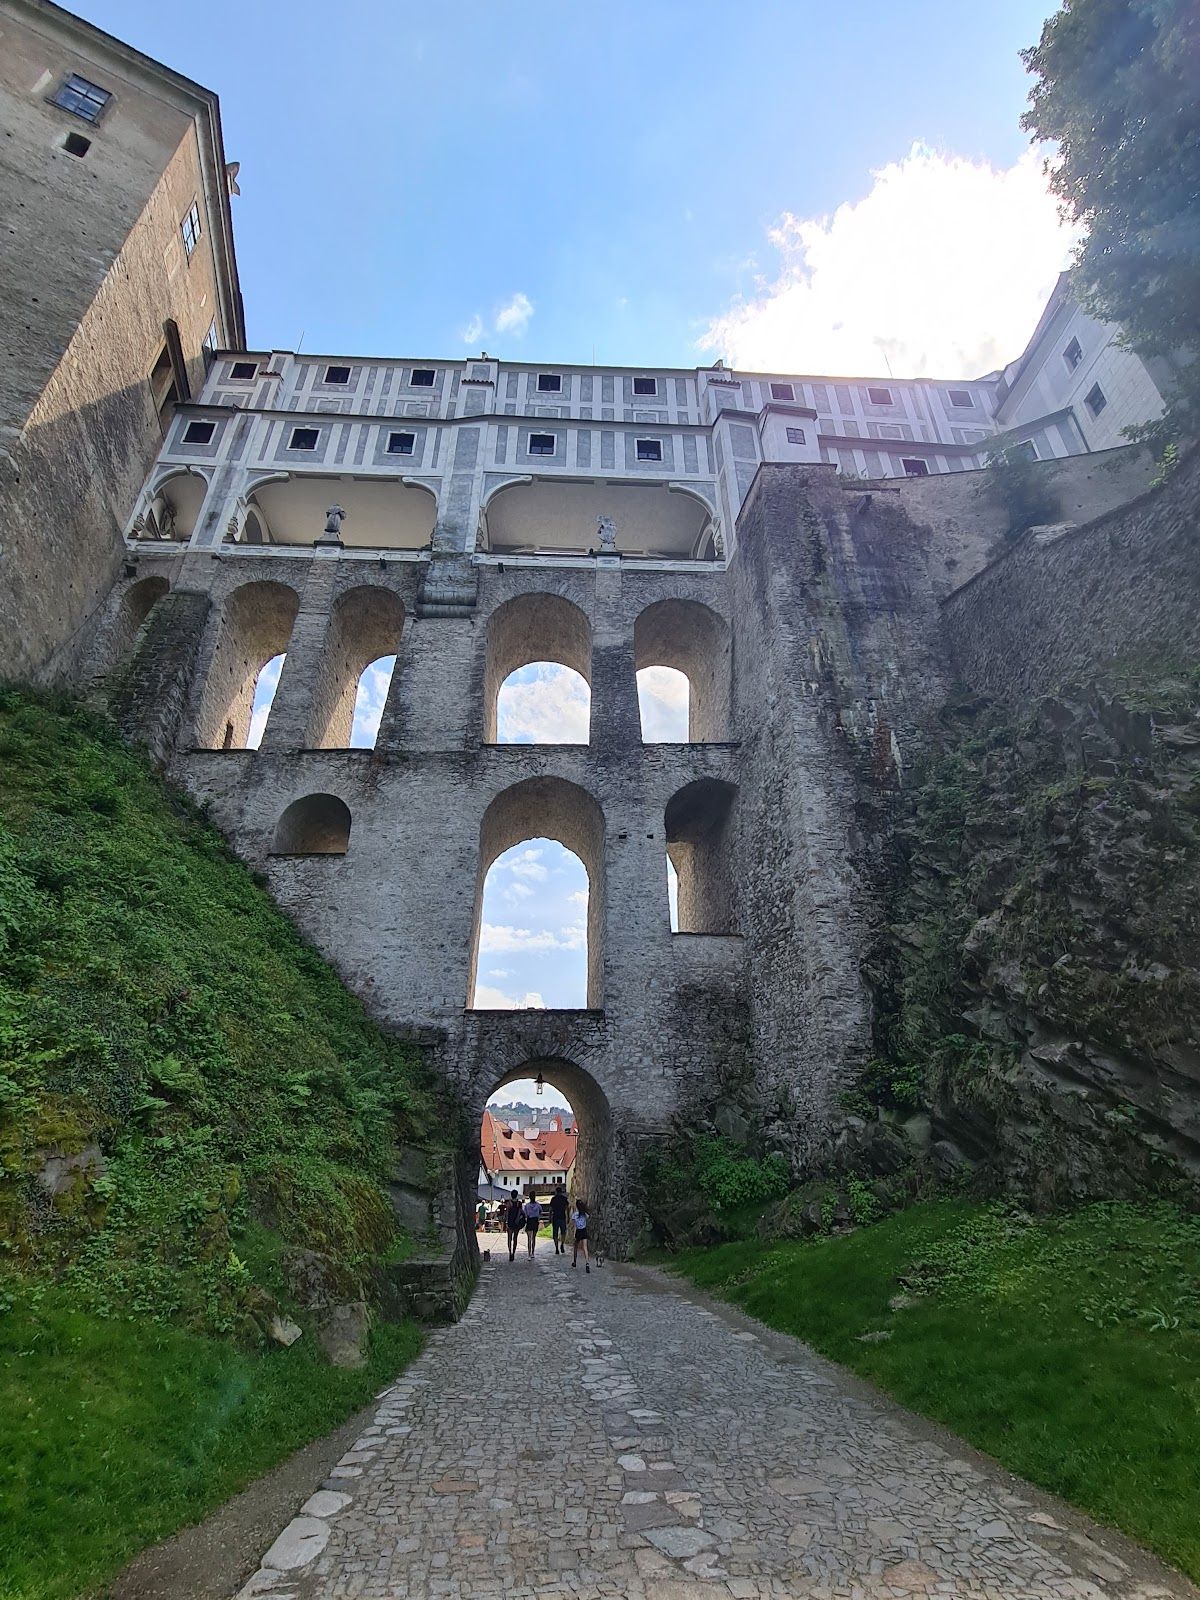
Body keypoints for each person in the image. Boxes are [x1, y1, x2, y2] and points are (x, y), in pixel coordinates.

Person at [548, 1185, 569, 1255]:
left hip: (555, 1218)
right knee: (563, 1232)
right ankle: (562, 1244)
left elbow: (550, 1209)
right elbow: (567, 1209)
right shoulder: (564, 1199)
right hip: (562, 1217)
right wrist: (568, 1217)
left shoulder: (553, 1199)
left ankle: (556, 1248)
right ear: (561, 1192)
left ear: (556, 1192)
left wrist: (550, 1217)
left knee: (555, 1234)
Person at [571, 1198, 590, 1273]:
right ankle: (587, 1263)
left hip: (578, 1231)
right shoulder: (585, 1214)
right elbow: (587, 1218)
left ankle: (574, 1261)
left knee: (575, 1247)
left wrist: (574, 1234)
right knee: (585, 1247)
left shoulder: (575, 1215)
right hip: (584, 1230)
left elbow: (574, 1225)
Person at [505, 1190, 524, 1263]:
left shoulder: (509, 1203)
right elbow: (521, 1212)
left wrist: (506, 1222)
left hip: (510, 1222)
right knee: (515, 1238)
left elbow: (507, 1213)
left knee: (509, 1238)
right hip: (517, 1223)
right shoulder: (519, 1203)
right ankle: (514, 1252)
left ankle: (510, 1252)